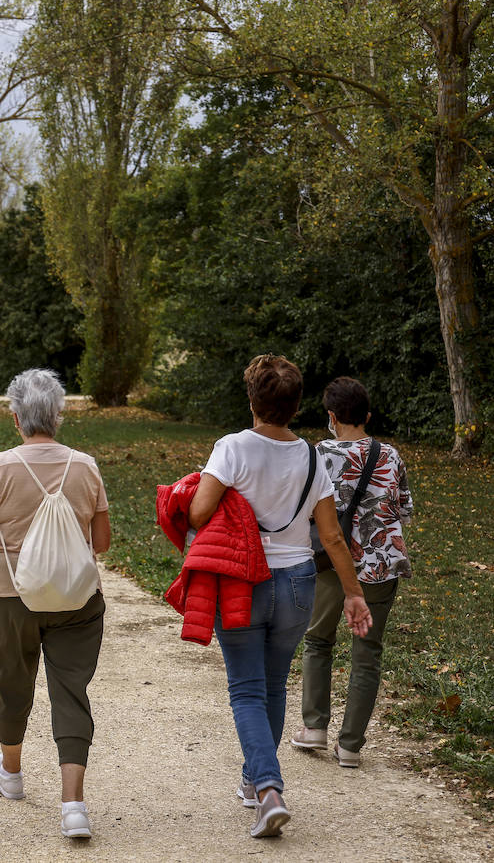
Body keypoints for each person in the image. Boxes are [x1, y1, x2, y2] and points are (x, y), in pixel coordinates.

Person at [188, 355, 372, 838]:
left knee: (246, 689)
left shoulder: (231, 449)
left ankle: (269, 789)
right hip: (297, 584)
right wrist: (353, 594)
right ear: (295, 406)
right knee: (271, 685)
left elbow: (197, 513)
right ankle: (253, 783)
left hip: (241, 582)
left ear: (252, 400)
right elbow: (331, 537)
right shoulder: (312, 457)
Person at [0, 368, 110, 841]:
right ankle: (73, 806)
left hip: (13, 597)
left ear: (15, 418)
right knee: (71, 692)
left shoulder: (0, 466)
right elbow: (102, 542)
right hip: (78, 600)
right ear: (58, 416)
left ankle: (10, 772)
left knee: (13, 683)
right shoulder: (86, 466)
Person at [293, 377, 413, 767]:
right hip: (381, 565)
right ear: (367, 415)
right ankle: (350, 747)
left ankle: (314, 728)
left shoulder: (317, 455)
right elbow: (403, 509)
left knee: (317, 640)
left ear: (331, 416)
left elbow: (303, 510)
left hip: (332, 563)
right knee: (368, 652)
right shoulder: (390, 455)